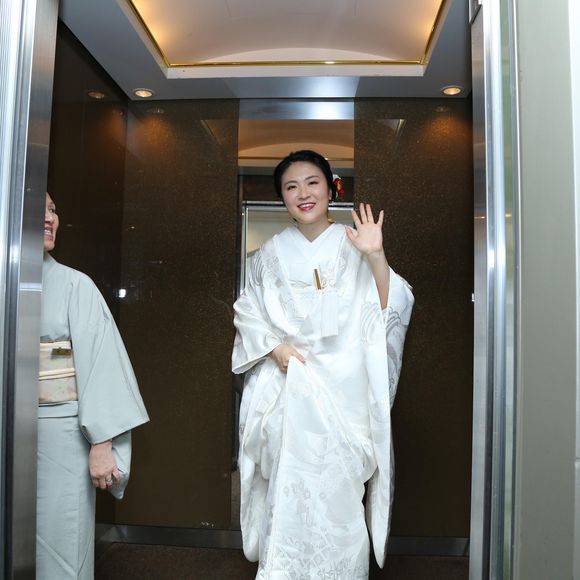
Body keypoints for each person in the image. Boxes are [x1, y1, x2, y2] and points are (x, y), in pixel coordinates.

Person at [232, 150, 414, 579]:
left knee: (338, 497)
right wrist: (274, 349)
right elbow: (247, 311)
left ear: (331, 188)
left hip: (343, 393)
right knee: (288, 491)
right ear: (282, 197)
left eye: (312, 182)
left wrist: (375, 255)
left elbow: (390, 307)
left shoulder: (353, 244)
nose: (303, 193)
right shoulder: (269, 254)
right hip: (288, 389)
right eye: (291, 186)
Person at [37, 193, 149, 579]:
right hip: (8, 430)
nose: (50, 218)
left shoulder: (75, 286)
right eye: (38, 209)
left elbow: (103, 366)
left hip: (59, 433)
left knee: (60, 539)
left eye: (52, 209)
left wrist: (102, 444)